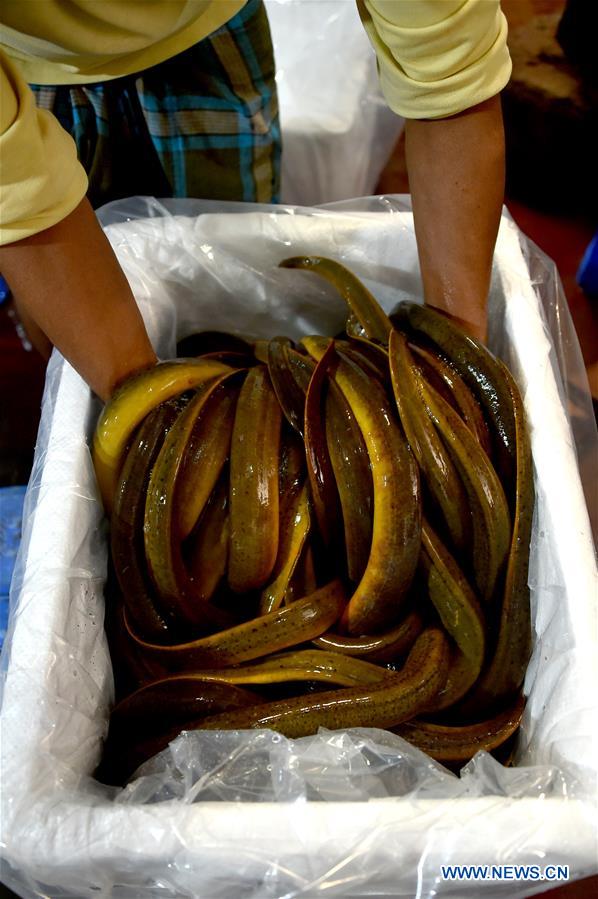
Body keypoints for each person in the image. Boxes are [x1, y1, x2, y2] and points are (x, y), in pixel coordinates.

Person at [0, 0, 510, 402]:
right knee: (62, 329)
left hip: (207, 28)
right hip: (28, 68)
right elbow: (19, 199)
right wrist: (146, 407)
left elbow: (449, 68)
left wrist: (455, 351)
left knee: (225, 259)